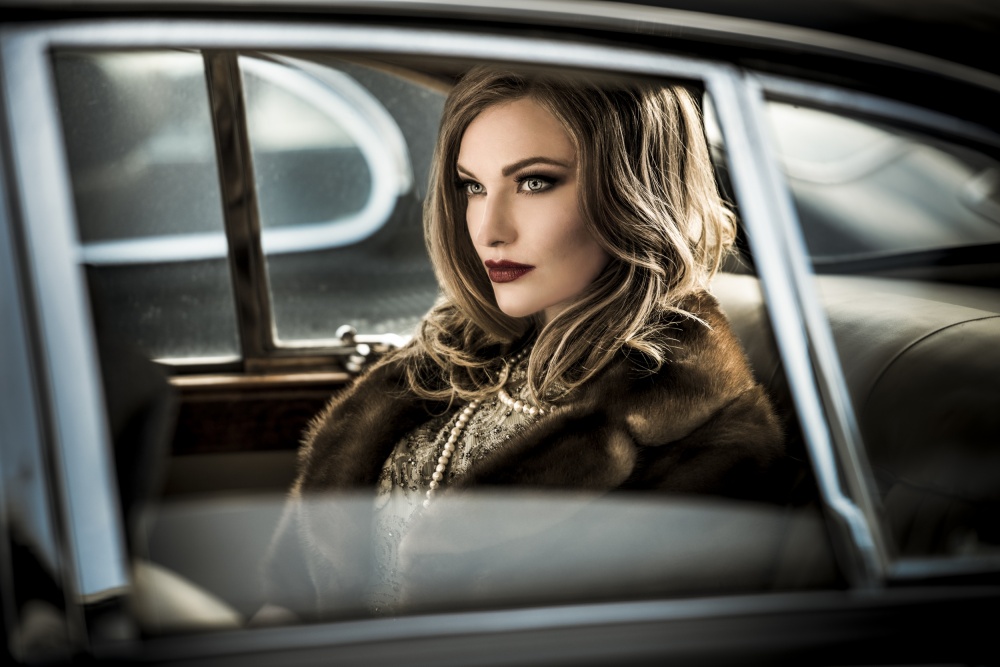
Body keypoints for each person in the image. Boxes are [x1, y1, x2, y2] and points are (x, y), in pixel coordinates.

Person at [262, 65, 787, 619]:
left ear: (636, 192)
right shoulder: (450, 357)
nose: (490, 229)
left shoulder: (708, 442)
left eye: (534, 182)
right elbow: (293, 594)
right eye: (473, 186)